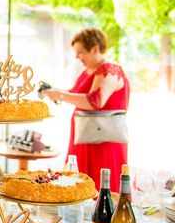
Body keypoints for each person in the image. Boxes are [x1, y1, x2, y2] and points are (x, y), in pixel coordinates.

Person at [41, 27, 129, 192]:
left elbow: (95, 101)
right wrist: (54, 91)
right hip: (84, 137)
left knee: (101, 188)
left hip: (102, 143)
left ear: (95, 49)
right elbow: (76, 95)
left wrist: (60, 95)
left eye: (80, 52)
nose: (77, 57)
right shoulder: (89, 70)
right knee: (80, 187)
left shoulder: (110, 70)